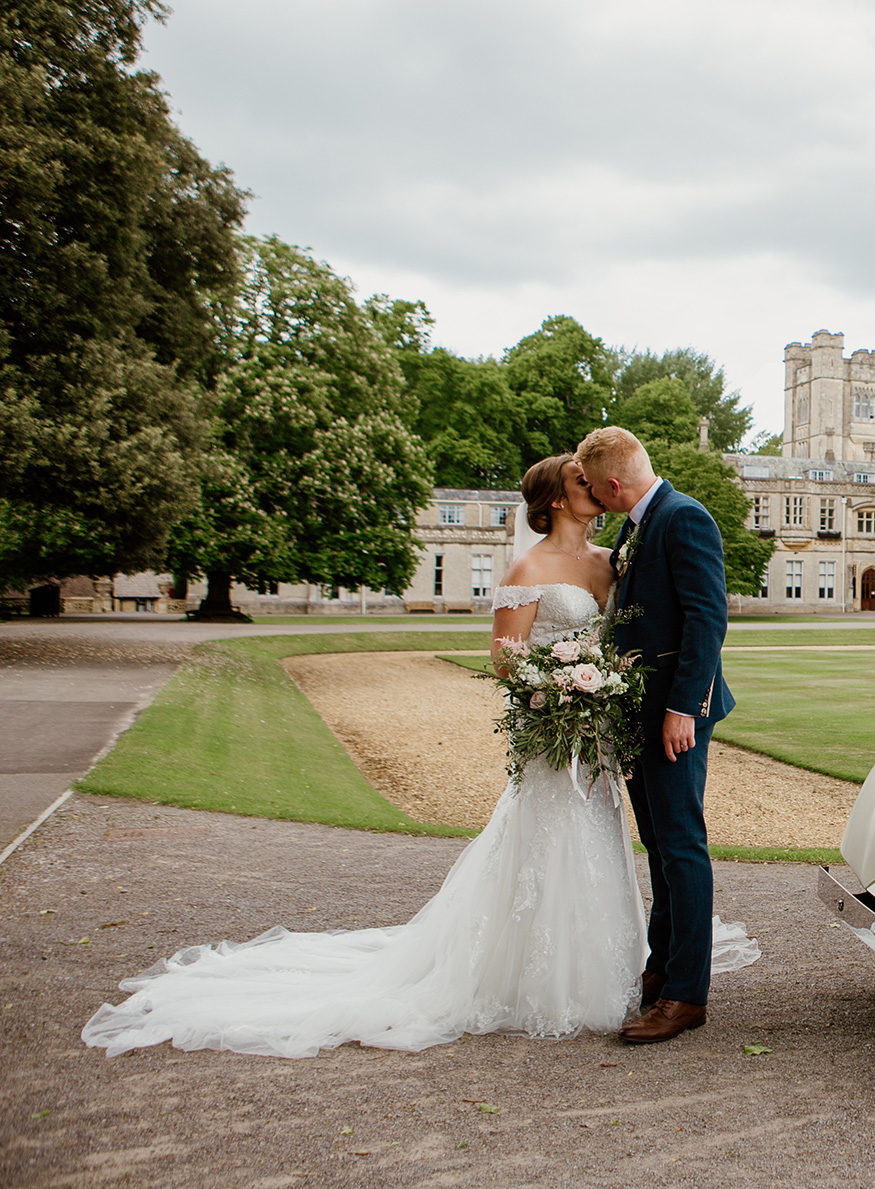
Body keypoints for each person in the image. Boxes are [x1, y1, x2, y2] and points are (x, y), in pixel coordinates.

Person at [80, 455, 756, 1060]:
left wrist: (613, 688)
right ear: (556, 499)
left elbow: (666, 620)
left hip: (612, 726)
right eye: (580, 483)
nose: (593, 491)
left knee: (638, 845)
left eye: (593, 479)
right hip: (560, 727)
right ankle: (588, 977)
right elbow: (505, 658)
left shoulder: (616, 555)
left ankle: (638, 976)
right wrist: (558, 690)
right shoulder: (530, 569)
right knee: (586, 844)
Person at [577, 427, 734, 1046]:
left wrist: (683, 709)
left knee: (681, 845)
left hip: (675, 715)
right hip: (642, 709)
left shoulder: (683, 517)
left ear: (613, 484)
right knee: (661, 848)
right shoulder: (635, 525)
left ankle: (685, 995)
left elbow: (707, 618)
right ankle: (660, 968)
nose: (591, 497)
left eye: (593, 487)